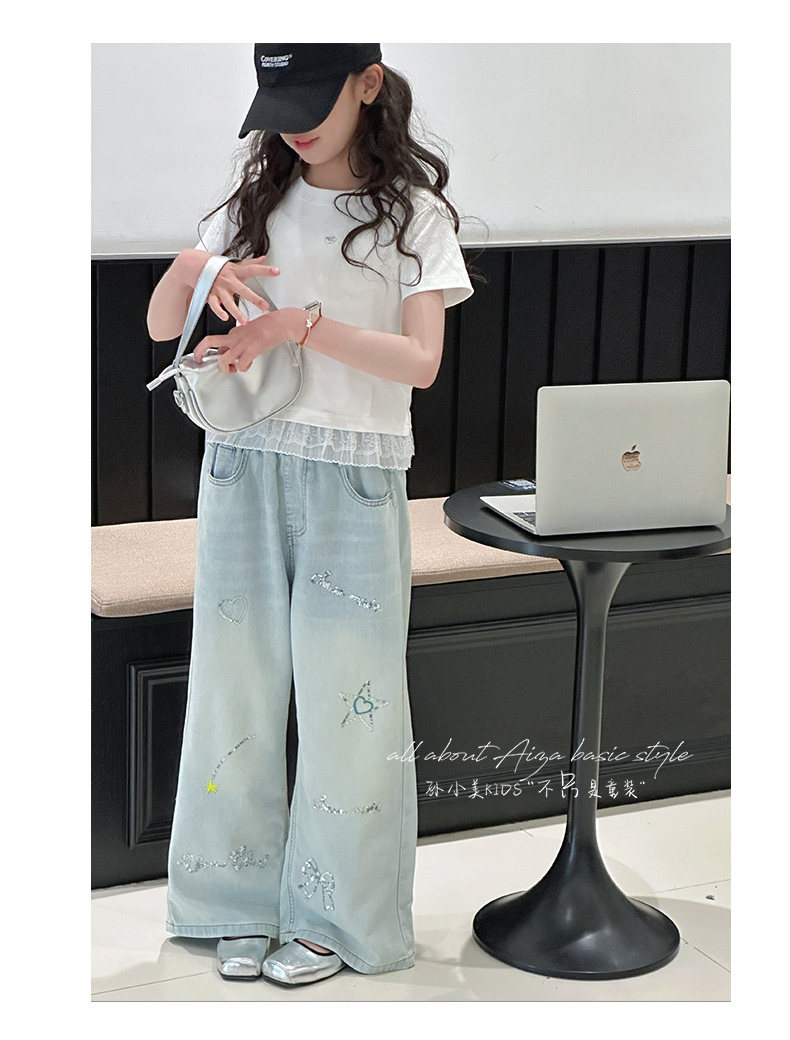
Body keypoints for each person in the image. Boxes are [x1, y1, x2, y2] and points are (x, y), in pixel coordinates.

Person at [146, 43, 476, 986]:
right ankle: (232, 900)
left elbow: (422, 365)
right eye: (277, 103)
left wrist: (299, 326)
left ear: (367, 85)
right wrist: (196, 266)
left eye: (310, 100)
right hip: (244, 468)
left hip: (355, 476)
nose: (292, 125)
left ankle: (337, 916)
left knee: (350, 707)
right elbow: (163, 325)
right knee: (234, 692)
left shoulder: (413, 214)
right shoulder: (252, 203)